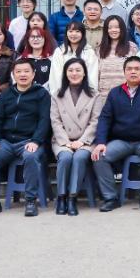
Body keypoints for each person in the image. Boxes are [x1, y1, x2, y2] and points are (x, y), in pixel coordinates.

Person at [0, 59, 51, 217]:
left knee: (30, 157)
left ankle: (30, 200)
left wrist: (36, 141)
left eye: (26, 71)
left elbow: (44, 120)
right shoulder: (6, 94)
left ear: (33, 74)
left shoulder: (42, 94)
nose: (22, 74)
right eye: (18, 71)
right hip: (6, 141)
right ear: (13, 74)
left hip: (29, 141)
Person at [91, 56, 140, 212]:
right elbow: (105, 119)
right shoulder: (115, 93)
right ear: (124, 72)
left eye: (137, 69)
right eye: (129, 69)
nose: (133, 72)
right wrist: (101, 142)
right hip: (121, 141)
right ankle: (111, 198)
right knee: (99, 156)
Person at [50, 57, 101, 216]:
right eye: (70, 70)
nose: (74, 73)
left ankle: (72, 197)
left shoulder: (94, 95)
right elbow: (55, 121)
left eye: (78, 70)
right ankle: (61, 197)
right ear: (65, 73)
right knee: (65, 157)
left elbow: (95, 121)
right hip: (62, 140)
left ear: (84, 73)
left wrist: (82, 141)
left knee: (79, 157)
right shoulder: (57, 95)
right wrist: (65, 142)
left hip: (86, 140)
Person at [94, 15, 138, 110]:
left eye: (117, 27)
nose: (113, 30)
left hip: (126, 96)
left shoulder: (132, 48)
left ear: (122, 29)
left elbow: (136, 72)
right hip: (104, 97)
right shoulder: (99, 49)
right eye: (110, 27)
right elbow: (96, 74)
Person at [50, 21, 99, 93]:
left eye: (77, 31)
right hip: (63, 93)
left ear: (83, 33)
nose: (73, 34)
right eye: (70, 31)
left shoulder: (89, 52)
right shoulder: (59, 52)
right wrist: (60, 94)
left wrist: (89, 93)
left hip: (84, 94)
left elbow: (92, 76)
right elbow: (56, 76)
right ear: (66, 33)